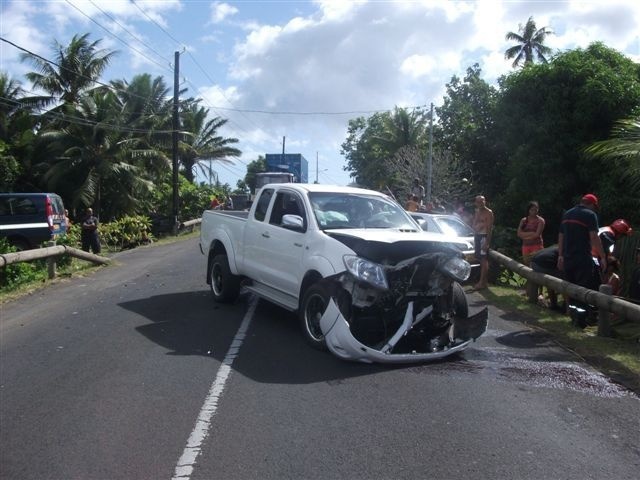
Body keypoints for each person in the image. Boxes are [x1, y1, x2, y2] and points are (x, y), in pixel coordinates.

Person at [557, 194, 607, 327]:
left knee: (571, 288)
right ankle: (580, 320)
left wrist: (560, 256)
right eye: (594, 207)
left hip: (568, 257)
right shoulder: (590, 215)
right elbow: (594, 237)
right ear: (591, 205)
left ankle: (573, 316)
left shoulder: (567, 214)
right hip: (582, 258)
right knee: (582, 289)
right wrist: (602, 257)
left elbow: (561, 236)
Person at [530, 245, 564, 311]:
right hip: (542, 265)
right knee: (564, 281)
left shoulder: (555, 248)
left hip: (534, 263)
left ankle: (553, 304)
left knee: (551, 280)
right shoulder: (564, 251)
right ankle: (566, 307)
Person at [471, 195, 494, 290]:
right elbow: (474, 225)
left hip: (484, 237)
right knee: (480, 258)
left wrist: (487, 242)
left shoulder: (489, 213)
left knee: (484, 260)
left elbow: (489, 229)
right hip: (477, 236)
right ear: (476, 203)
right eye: (478, 202)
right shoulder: (477, 212)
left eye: (482, 201)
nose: (480, 203)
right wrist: (479, 224)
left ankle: (482, 282)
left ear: (485, 201)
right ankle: (484, 282)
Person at [517, 201, 545, 266]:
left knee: (537, 264)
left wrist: (524, 236)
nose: (534, 211)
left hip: (537, 246)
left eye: (536, 210)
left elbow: (537, 234)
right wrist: (532, 233)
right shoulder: (523, 220)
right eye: (532, 210)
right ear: (529, 210)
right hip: (525, 246)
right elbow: (519, 233)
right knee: (527, 265)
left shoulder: (541, 220)